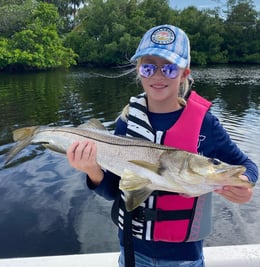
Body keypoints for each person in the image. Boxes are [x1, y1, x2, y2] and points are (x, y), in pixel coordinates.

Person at [66, 24, 258, 267]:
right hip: (133, 252)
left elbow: (247, 166)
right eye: (148, 67)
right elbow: (113, 191)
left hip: (184, 259)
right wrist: (92, 171)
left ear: (184, 73)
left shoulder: (206, 125)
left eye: (169, 68)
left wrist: (246, 186)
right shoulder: (126, 122)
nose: (158, 76)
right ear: (139, 72)